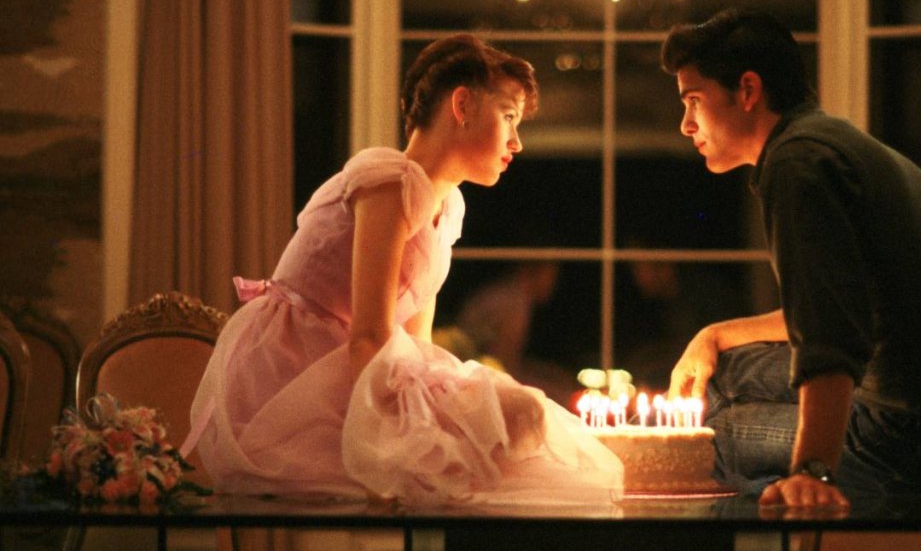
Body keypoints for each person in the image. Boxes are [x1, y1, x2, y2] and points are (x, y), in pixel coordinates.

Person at [183, 34, 622, 506]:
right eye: (509, 117)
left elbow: (416, 344)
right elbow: (368, 336)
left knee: (519, 420)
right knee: (487, 441)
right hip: (297, 375)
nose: (516, 141)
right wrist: (409, 437)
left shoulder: (445, 206)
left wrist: (444, 415)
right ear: (462, 104)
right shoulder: (388, 180)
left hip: (361, 366)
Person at [659, 8, 921, 508]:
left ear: (747, 90)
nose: (685, 125)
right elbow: (844, 304)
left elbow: (830, 338)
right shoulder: (820, 138)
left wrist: (811, 472)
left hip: (918, 428)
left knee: (706, 441)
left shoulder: (798, 168)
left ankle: (860, 498)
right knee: (718, 376)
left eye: (694, 101)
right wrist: (714, 335)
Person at [454, 260, 578, 406]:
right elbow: (504, 362)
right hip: (476, 372)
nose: (552, 284)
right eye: (549, 277)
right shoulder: (513, 302)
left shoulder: (508, 293)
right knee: (561, 395)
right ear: (532, 273)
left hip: (478, 365)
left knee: (559, 380)